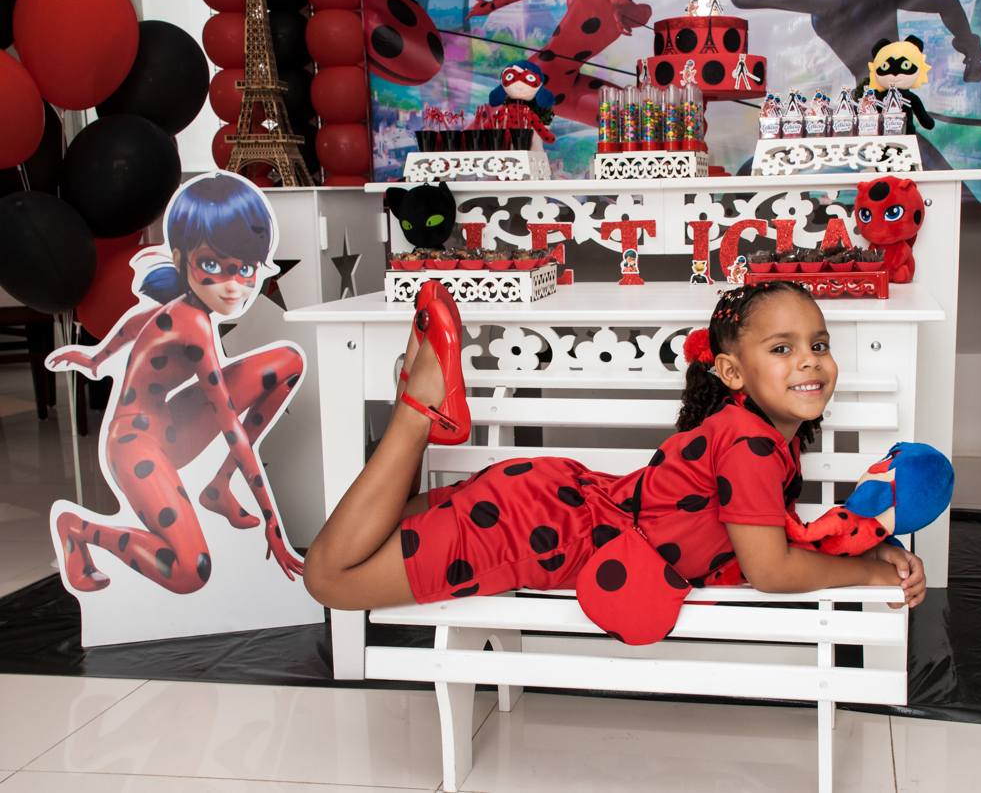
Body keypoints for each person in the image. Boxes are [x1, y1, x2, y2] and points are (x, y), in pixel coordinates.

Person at [303, 279, 932, 641]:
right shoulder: (750, 443)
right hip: (537, 532)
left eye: (818, 344)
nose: (810, 360)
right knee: (328, 579)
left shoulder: (754, 434)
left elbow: (775, 538)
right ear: (734, 372)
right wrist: (868, 577)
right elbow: (768, 569)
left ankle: (417, 392)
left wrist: (869, 549)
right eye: (783, 347)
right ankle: (419, 406)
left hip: (546, 505)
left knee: (366, 544)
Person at [47, 174, 304, 594]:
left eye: (245, 270)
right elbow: (231, 430)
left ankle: (217, 488)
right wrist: (271, 522)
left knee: (289, 361)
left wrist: (96, 357)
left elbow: (140, 320)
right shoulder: (195, 325)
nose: (232, 285)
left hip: (170, 425)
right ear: (183, 258)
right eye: (212, 266)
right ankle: (81, 529)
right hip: (133, 445)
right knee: (190, 571)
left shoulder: (184, 306)